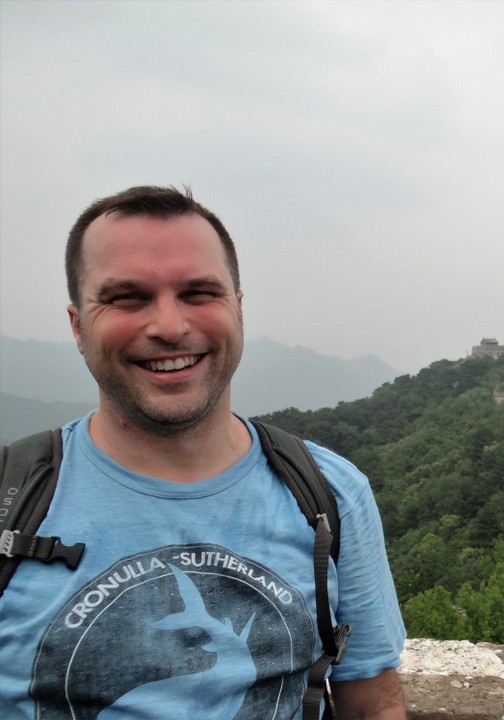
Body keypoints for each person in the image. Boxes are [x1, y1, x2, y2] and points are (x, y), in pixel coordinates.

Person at [0, 186, 407, 719]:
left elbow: (372, 704)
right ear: (78, 326)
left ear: (238, 310)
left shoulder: (331, 494)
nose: (170, 327)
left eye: (199, 293)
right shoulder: (14, 494)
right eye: (128, 297)